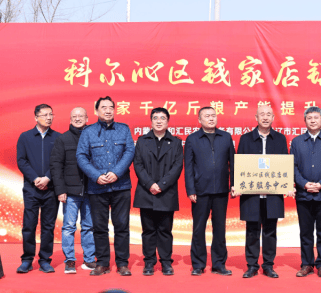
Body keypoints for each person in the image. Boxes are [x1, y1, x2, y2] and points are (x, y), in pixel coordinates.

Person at [76, 96, 135, 276]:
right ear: (96, 111)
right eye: (104, 107)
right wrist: (96, 176)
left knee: (122, 226)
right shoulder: (88, 132)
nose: (108, 110)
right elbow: (81, 156)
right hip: (97, 187)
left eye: (111, 107)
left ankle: (122, 263)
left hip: (121, 185)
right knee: (99, 227)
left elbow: (129, 151)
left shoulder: (124, 129)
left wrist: (116, 172)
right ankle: (102, 263)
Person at [234, 105, 292, 279]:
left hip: (272, 194)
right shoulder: (245, 139)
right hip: (251, 194)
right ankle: (252, 265)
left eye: (268, 114)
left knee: (270, 231)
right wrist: (236, 184)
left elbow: (285, 165)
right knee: (252, 231)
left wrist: (288, 184)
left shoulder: (280, 139)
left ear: (273, 117)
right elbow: (239, 165)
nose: (265, 117)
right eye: (262, 114)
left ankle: (268, 265)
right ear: (256, 117)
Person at [184, 106, 236, 276]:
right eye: (207, 116)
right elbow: (188, 166)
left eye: (213, 115)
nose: (211, 118)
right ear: (199, 120)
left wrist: (234, 184)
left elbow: (233, 163)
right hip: (200, 191)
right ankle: (198, 264)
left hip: (221, 190)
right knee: (198, 229)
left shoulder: (226, 137)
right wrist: (190, 189)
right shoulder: (192, 139)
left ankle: (219, 264)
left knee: (220, 229)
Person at [133, 108, 183, 276]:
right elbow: (138, 165)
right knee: (148, 230)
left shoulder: (175, 142)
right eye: (155, 118)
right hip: (146, 192)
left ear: (168, 122)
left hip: (166, 193)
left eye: (162, 118)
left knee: (165, 230)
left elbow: (177, 167)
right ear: (151, 121)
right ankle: (149, 262)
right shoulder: (142, 141)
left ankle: (166, 262)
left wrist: (161, 185)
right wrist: (150, 184)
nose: (159, 121)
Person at [291, 106, 321, 278]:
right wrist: (304, 184)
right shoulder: (297, 142)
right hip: (304, 195)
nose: (313, 121)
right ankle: (307, 264)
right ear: (305, 121)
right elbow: (292, 167)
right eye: (309, 118)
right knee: (305, 231)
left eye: (316, 118)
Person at [50, 107, 96, 274]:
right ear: (70, 120)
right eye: (74, 116)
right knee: (69, 227)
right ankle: (70, 260)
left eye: (81, 116)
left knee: (89, 227)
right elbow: (56, 166)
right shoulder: (63, 139)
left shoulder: (94, 136)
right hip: (70, 192)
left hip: (91, 190)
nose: (77, 119)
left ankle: (89, 258)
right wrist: (60, 190)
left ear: (87, 118)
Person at [16, 104, 60, 274]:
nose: (49, 118)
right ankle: (27, 259)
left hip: (51, 189)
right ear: (36, 117)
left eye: (51, 114)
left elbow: (59, 162)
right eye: (45, 115)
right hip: (31, 189)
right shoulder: (25, 137)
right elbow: (22, 161)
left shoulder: (58, 137)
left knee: (48, 226)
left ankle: (45, 260)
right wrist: (35, 179)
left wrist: (47, 178)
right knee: (29, 225)